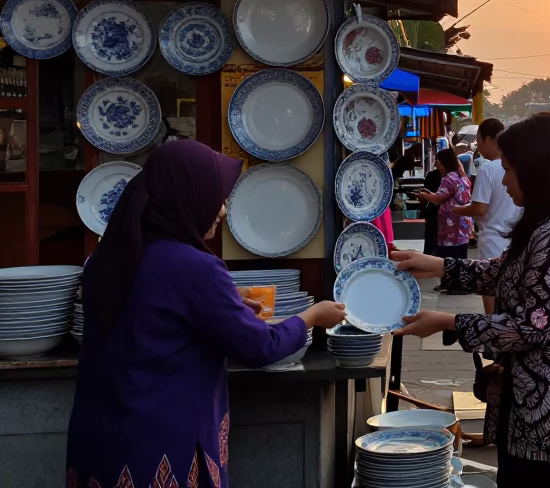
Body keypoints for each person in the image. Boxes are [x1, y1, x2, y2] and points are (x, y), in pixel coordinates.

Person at [66, 141, 347, 488]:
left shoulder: (106, 259)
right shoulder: (193, 266)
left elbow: (153, 313)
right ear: (186, 198)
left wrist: (225, 301)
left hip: (101, 437)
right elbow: (260, 346)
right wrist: (311, 317)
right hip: (164, 446)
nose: (223, 210)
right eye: (216, 197)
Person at [390, 112, 550, 487]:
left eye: (509, 169)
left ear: (536, 170)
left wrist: (447, 322)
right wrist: (440, 266)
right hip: (540, 404)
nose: (504, 179)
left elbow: (530, 328)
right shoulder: (547, 222)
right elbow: (506, 272)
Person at [452, 118, 521, 314]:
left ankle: (492, 334)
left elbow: (480, 209)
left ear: (490, 140)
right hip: (513, 238)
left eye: (480, 141)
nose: (478, 146)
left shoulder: (488, 168)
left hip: (492, 239)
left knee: (490, 290)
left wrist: (458, 210)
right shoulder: (516, 164)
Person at [416, 148, 472, 261]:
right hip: (463, 230)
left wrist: (424, 196)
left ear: (442, 164)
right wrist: (431, 194)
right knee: (460, 264)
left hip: (450, 232)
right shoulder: (463, 177)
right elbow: (446, 197)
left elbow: (438, 199)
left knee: (448, 266)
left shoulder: (449, 178)